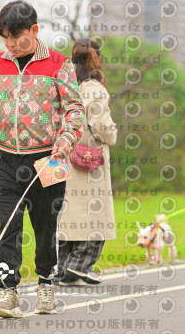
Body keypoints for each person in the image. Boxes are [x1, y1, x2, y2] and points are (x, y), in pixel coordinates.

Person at [0, 0, 85, 317]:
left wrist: (66, 139)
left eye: (16, 37)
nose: (10, 45)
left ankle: (46, 285)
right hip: (6, 160)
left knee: (46, 227)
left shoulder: (58, 64)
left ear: (34, 30)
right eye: (5, 38)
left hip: (48, 160)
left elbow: (75, 109)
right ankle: (8, 292)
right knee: (7, 226)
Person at [56, 38, 117, 286]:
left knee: (65, 214)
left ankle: (62, 270)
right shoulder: (95, 89)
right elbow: (102, 127)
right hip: (88, 159)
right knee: (96, 214)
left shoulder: (64, 84)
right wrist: (112, 133)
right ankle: (80, 264)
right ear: (97, 59)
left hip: (59, 156)